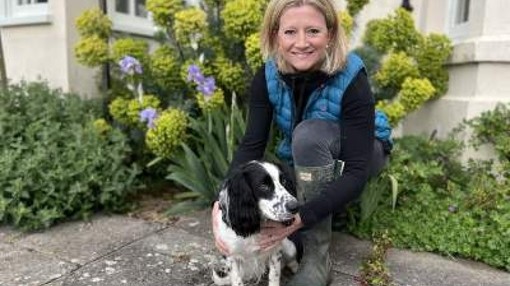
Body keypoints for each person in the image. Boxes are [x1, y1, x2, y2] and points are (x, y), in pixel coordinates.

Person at [211, 0, 392, 285]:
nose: (302, 42)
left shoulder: (352, 76)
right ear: (274, 35)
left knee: (307, 137)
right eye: (290, 32)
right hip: (308, 155)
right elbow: (251, 145)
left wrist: (299, 218)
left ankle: (318, 260)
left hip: (362, 154)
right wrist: (221, 204)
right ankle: (310, 222)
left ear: (330, 34)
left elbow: (356, 172)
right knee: (283, 228)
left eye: (313, 31)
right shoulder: (268, 76)